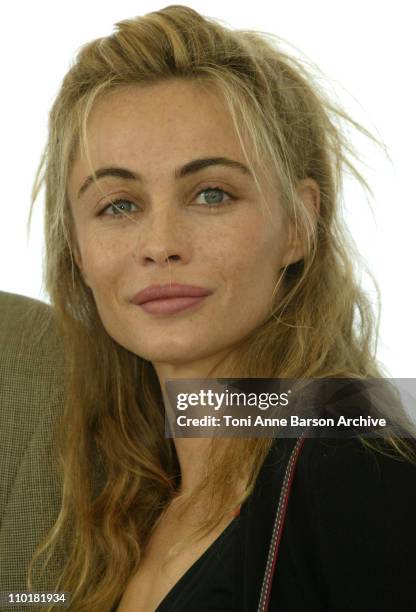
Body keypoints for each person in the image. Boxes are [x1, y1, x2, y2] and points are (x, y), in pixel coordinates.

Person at [21, 4, 416, 611]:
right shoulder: (120, 506)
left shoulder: (355, 465)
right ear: (76, 247)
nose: (160, 246)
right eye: (118, 205)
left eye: (211, 194)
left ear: (299, 224)